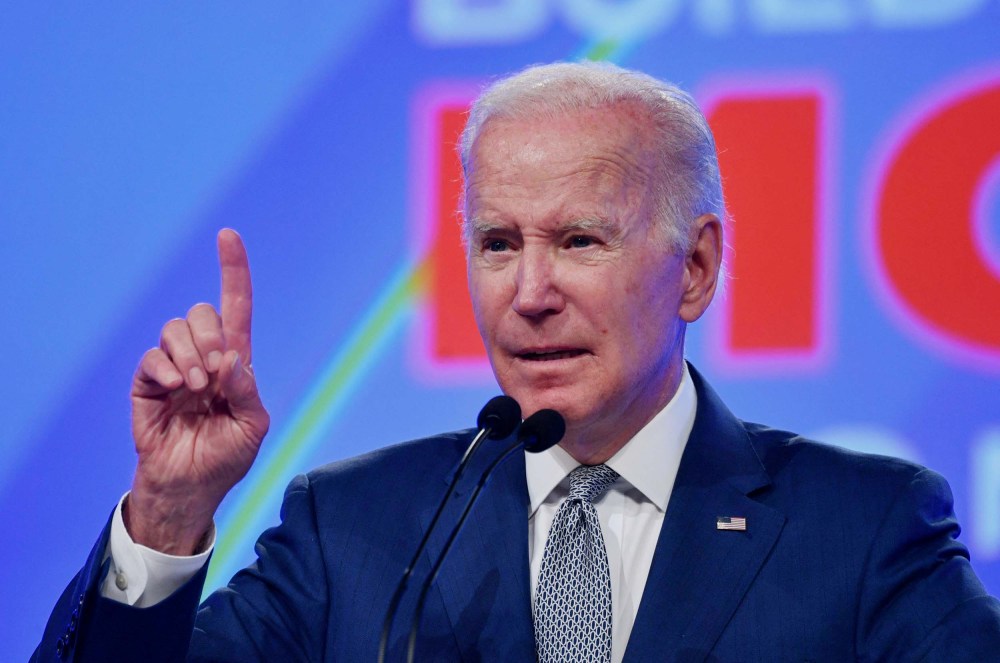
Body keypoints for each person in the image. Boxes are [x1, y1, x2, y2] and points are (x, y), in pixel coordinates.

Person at [35, 61, 1000, 662]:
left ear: (695, 268)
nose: (529, 291)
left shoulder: (864, 531)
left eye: (580, 240)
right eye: (498, 243)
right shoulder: (354, 529)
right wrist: (168, 512)